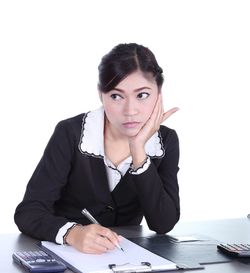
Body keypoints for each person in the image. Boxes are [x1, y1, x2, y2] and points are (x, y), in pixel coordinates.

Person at [14, 43, 180, 254]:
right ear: (101, 95)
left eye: (142, 95)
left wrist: (138, 150)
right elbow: (28, 212)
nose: (130, 111)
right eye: (116, 96)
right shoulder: (71, 133)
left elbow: (163, 224)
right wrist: (72, 234)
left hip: (126, 263)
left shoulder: (166, 141)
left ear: (159, 93)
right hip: (66, 256)